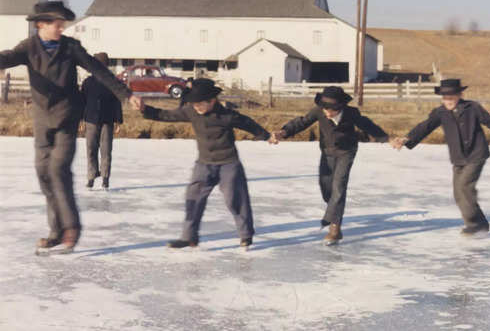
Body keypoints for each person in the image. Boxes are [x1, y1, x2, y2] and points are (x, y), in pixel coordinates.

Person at [0, 1, 141, 254]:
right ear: (41, 24)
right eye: (56, 23)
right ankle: (55, 231)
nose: (60, 27)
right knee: (43, 172)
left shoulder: (70, 47)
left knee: (58, 170)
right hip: (43, 119)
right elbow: (6, 58)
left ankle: (71, 229)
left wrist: (125, 94)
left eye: (62, 23)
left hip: (67, 117)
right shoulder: (29, 47)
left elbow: (98, 70)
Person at [141, 78, 272, 249]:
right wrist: (145, 109)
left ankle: (246, 235)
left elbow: (249, 124)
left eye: (200, 103)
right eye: (194, 103)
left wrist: (268, 136)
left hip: (228, 163)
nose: (196, 106)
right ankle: (189, 237)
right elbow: (167, 115)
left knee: (235, 199)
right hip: (204, 164)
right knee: (193, 198)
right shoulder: (191, 111)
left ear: (212, 101)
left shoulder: (227, 115)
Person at [391, 79, 490, 237]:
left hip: (476, 154)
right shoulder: (440, 112)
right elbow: (424, 127)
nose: (448, 101)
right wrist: (406, 139)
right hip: (458, 157)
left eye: (451, 97)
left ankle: (475, 225)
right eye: (445, 98)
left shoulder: (472, 108)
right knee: (458, 193)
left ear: (460, 95)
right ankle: (479, 224)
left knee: (465, 186)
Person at [271, 86, 389, 245]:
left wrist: (387, 139)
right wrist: (283, 132)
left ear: (340, 107)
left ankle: (335, 227)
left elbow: (368, 125)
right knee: (326, 188)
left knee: (339, 186)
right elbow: (302, 122)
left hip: (346, 152)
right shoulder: (319, 111)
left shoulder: (351, 113)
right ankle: (334, 211)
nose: (327, 112)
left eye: (331, 109)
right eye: (325, 108)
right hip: (327, 152)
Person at [81, 52, 123, 190]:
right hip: (91, 120)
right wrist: (80, 120)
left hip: (107, 120)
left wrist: (118, 121)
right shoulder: (87, 82)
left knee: (106, 150)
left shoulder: (112, 82)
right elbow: (82, 102)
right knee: (91, 150)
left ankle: (105, 178)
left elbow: (117, 102)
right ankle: (91, 177)